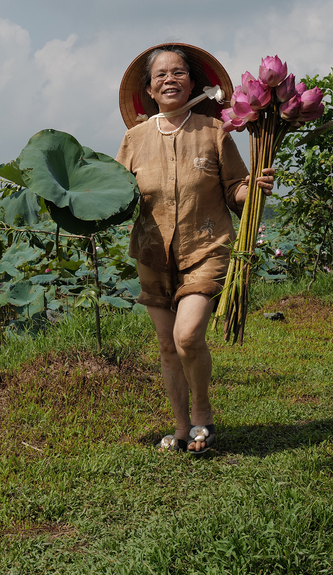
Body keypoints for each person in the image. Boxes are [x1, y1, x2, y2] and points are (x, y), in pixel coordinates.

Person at [116, 44, 273, 453]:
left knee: (187, 337)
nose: (170, 79)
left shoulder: (215, 131)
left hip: (206, 247)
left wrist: (252, 189)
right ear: (149, 89)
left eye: (179, 72)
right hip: (152, 255)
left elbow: (235, 191)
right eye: (161, 75)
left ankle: (203, 414)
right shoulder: (133, 139)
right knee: (166, 346)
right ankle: (181, 426)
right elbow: (115, 195)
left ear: (193, 82)